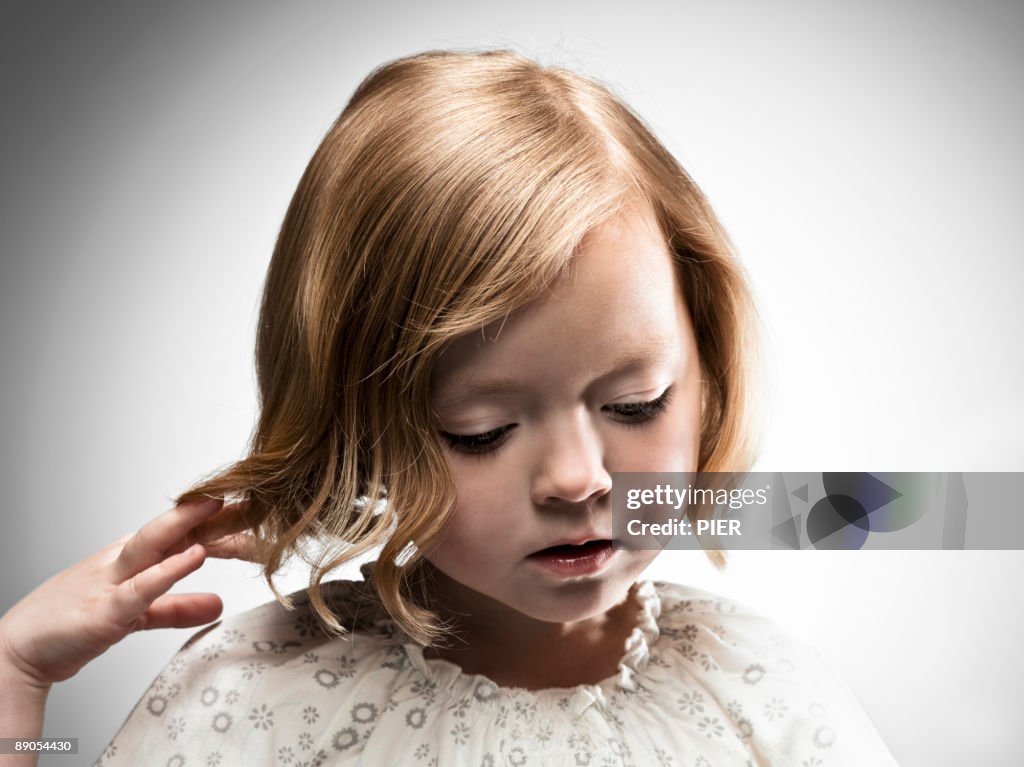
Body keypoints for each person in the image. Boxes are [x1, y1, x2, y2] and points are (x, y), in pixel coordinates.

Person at [0, 49, 898, 766]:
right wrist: (16, 684)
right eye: (482, 431)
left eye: (634, 403)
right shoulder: (265, 691)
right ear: (357, 431)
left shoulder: (754, 686)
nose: (578, 478)